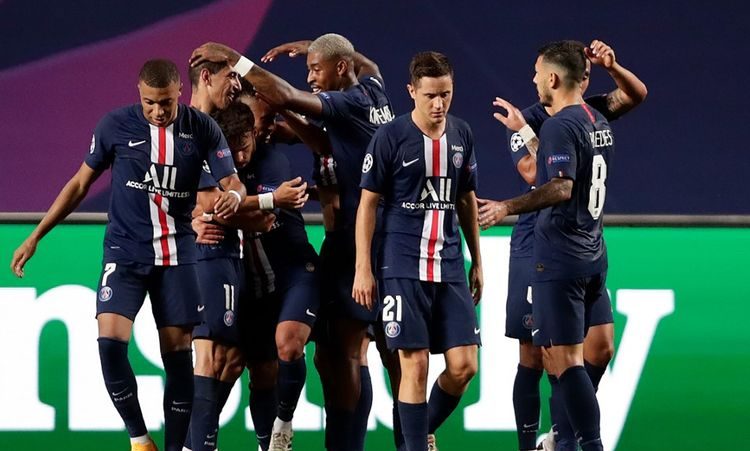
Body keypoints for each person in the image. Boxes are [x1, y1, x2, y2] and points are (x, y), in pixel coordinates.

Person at [10, 59, 247, 451]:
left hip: (177, 254)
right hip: (125, 251)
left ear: (179, 94)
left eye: (166, 103)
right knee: (109, 344)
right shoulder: (114, 126)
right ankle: (139, 439)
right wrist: (37, 235)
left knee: (177, 356)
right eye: (150, 102)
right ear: (139, 94)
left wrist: (234, 196)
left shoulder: (203, 128)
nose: (158, 111)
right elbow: (79, 184)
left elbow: (231, 180)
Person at [190, 34, 394, 450]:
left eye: (316, 69)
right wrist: (313, 48)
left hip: (361, 245)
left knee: (353, 354)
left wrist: (234, 59)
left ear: (339, 69)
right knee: (332, 356)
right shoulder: (371, 90)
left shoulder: (348, 103)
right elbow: (364, 67)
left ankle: (381, 440)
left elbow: (285, 98)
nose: (309, 77)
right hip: (344, 245)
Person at [483, 39, 646, 451]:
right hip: (550, 246)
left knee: (581, 354)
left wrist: (505, 207)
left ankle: (569, 436)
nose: (533, 80)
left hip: (567, 248)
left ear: (553, 78)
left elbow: (555, 184)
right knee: (537, 355)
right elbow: (531, 172)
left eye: (538, 73)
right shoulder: (559, 118)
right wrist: (523, 131)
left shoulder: (574, 118)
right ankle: (555, 441)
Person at [353, 51, 483, 451]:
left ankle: (413, 434)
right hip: (402, 264)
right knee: (416, 363)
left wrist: (477, 260)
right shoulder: (390, 137)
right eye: (430, 95)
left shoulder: (461, 135)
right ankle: (413, 443)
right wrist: (363, 267)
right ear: (411, 91)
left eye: (445, 93)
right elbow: (368, 205)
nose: (439, 104)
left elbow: (465, 200)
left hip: (448, 265)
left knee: (464, 367)